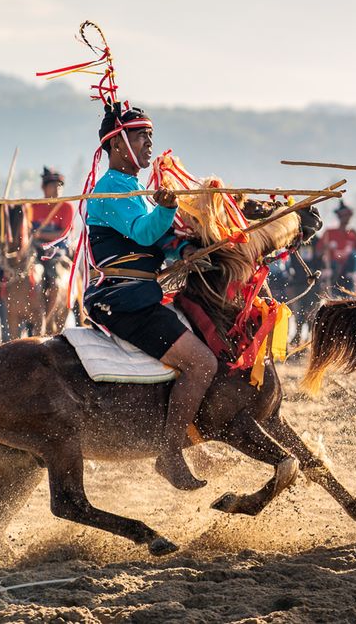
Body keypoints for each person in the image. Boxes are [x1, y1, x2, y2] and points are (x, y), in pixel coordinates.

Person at [83, 102, 217, 490]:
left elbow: (158, 240)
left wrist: (185, 251)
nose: (148, 145)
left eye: (150, 138)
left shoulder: (135, 189)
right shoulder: (109, 189)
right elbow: (144, 232)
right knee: (203, 363)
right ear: (119, 144)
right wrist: (168, 207)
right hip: (125, 300)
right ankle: (171, 454)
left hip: (143, 294)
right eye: (142, 137)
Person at [30, 167, 75, 317]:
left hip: (57, 250)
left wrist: (40, 234)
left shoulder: (66, 206)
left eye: (60, 185)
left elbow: (63, 234)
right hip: (35, 249)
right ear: (43, 187)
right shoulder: (33, 207)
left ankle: (46, 318)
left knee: (55, 282)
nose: (57, 189)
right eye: (53, 185)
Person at [317, 201, 356, 295]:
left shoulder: (353, 235)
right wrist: (324, 250)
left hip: (348, 276)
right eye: (343, 215)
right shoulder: (329, 233)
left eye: (347, 215)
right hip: (333, 275)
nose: (345, 218)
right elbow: (318, 252)